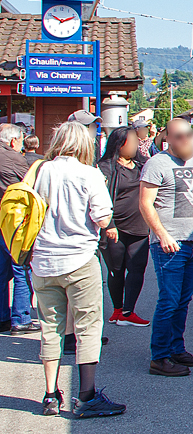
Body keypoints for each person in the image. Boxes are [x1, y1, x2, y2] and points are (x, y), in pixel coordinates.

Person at [30, 120, 124, 417]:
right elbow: (103, 218)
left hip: (44, 261)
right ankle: (86, 396)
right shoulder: (89, 173)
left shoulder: (41, 171)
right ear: (85, 144)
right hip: (79, 260)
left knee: (50, 328)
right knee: (87, 327)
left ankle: (50, 395)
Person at [140, 117, 193, 377]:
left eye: (188, 135)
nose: (185, 140)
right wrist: (162, 235)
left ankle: (176, 349)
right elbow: (145, 203)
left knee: (182, 301)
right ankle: (159, 358)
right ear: (166, 138)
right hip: (169, 244)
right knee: (169, 301)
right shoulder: (156, 163)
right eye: (178, 136)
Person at [97, 127, 150, 328]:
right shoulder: (104, 167)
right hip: (114, 228)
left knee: (137, 268)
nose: (137, 144)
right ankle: (117, 310)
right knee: (116, 270)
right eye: (133, 141)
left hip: (139, 226)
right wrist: (108, 224)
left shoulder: (143, 165)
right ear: (120, 144)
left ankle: (128, 311)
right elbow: (99, 198)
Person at [0, 123, 37, 334]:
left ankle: (3, 317)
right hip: (14, 221)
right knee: (21, 268)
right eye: (21, 141)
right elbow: (31, 184)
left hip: (2, 219)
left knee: (1, 270)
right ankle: (20, 318)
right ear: (14, 141)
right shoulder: (13, 157)